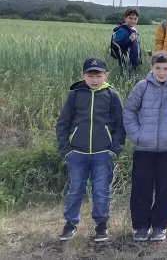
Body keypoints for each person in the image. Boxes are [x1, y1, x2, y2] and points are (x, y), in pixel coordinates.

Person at [122, 51, 167, 242]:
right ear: (151, 68)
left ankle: (160, 225)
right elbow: (129, 111)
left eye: (166, 68)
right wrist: (137, 135)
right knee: (141, 187)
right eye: (157, 68)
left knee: (165, 188)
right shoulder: (142, 87)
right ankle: (141, 226)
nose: (161, 72)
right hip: (144, 147)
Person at [56, 58, 125, 243]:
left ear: (106, 75)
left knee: (101, 191)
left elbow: (120, 125)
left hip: (103, 153)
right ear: (83, 75)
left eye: (98, 75)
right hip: (77, 153)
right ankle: (70, 224)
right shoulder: (75, 95)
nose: (94, 79)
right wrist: (66, 149)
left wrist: (114, 149)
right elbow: (63, 123)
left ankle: (101, 225)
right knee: (75, 190)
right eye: (90, 75)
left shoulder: (112, 95)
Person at [111, 7, 142, 76]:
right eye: (130, 18)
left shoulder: (134, 30)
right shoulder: (122, 30)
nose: (133, 21)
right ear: (125, 18)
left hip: (135, 62)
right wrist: (129, 40)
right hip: (126, 62)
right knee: (128, 80)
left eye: (135, 19)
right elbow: (115, 45)